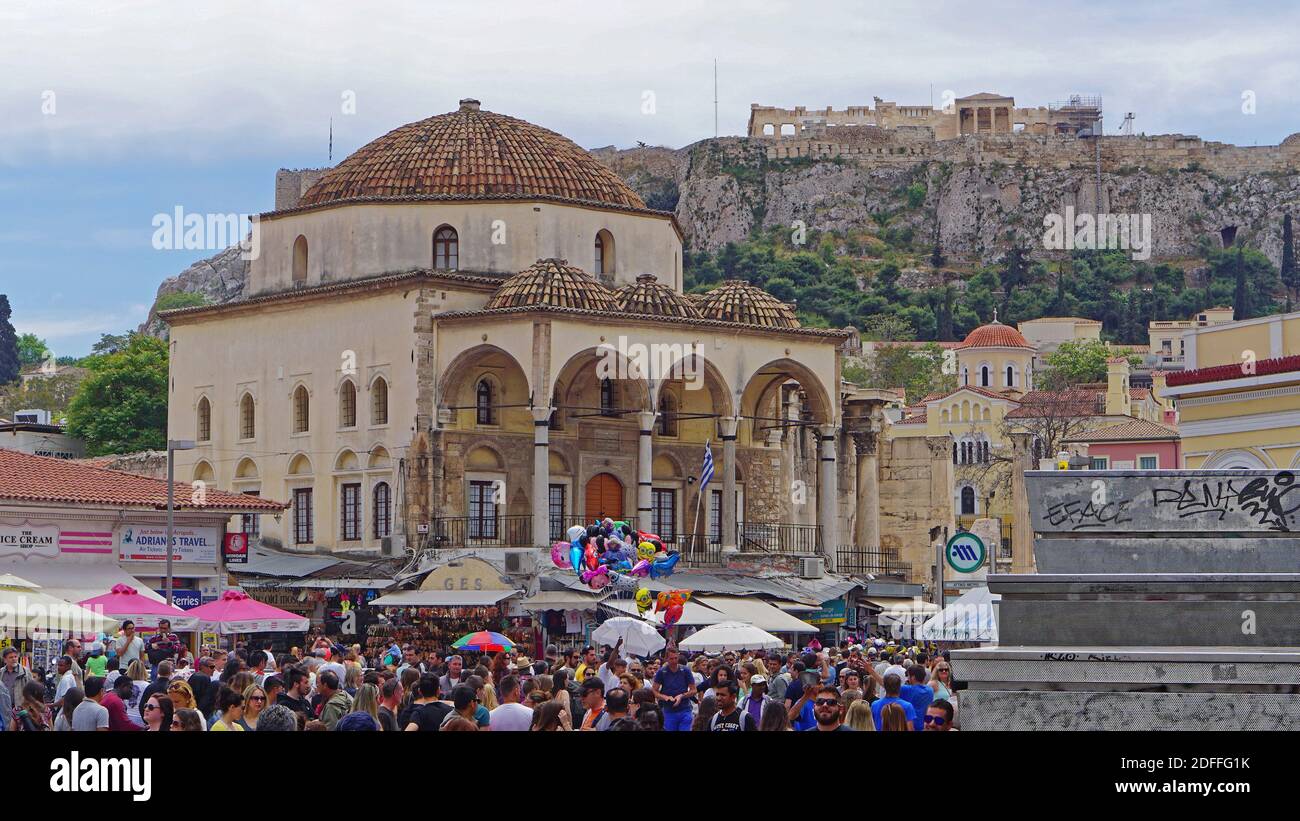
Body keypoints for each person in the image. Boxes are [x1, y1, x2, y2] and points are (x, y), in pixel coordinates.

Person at [651, 647, 696, 732]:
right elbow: (654, 690)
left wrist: (682, 696)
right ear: (667, 659)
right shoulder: (662, 672)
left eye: (676, 658)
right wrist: (664, 697)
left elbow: (694, 690)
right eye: (671, 659)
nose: (674, 661)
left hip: (685, 709)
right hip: (669, 710)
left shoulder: (685, 670)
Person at [899, 665, 934, 732]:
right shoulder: (930, 690)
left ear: (913, 677)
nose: (908, 678)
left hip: (910, 726)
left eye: (908, 676)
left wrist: (872, 671)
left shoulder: (907, 689)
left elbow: (887, 685)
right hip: (924, 726)